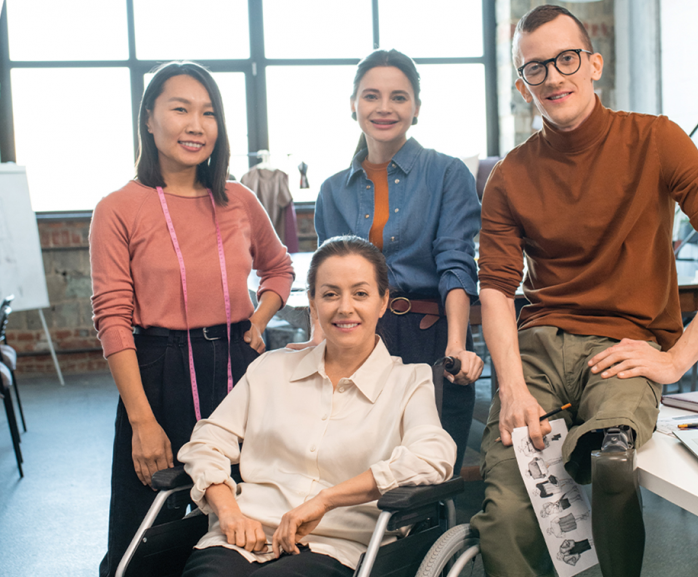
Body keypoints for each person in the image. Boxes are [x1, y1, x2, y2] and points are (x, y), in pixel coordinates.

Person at [470, 6, 698, 577]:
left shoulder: (655, 140)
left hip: (622, 349)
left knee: (611, 461)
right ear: (522, 83)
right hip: (537, 352)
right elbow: (496, 290)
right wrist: (509, 388)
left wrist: (676, 359)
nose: (553, 77)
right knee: (506, 516)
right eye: (535, 68)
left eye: (566, 59)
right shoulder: (508, 176)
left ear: (594, 64)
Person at [89, 61, 294, 577]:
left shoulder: (238, 199)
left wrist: (258, 319)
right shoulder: (118, 207)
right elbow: (112, 318)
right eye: (180, 109)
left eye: (208, 113)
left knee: (242, 517)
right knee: (142, 532)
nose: (196, 125)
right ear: (149, 119)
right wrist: (141, 421)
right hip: (157, 371)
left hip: (236, 368)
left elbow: (279, 268)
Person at [178, 236, 456, 577]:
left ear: (383, 301)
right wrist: (229, 512)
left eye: (360, 293)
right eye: (330, 294)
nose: (345, 308)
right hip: (243, 536)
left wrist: (326, 499)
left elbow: (432, 456)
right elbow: (207, 442)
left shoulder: (410, 382)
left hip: (338, 547)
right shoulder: (270, 369)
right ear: (312, 302)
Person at [307, 49, 483, 474]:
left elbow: (456, 264)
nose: (384, 107)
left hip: (430, 337)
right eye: (371, 96)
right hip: (358, 340)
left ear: (416, 108)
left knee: (428, 473)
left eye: (398, 97)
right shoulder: (332, 190)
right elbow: (327, 280)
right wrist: (317, 339)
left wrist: (455, 346)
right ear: (353, 104)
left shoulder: (447, 173)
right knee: (356, 472)